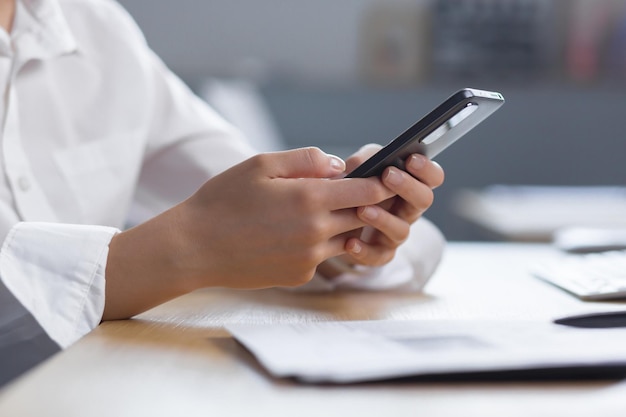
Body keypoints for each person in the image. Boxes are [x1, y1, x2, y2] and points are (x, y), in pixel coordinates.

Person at [0, 0, 445, 386]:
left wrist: (337, 232)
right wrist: (188, 247)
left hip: (92, 387)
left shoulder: (97, 32)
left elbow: (251, 198)